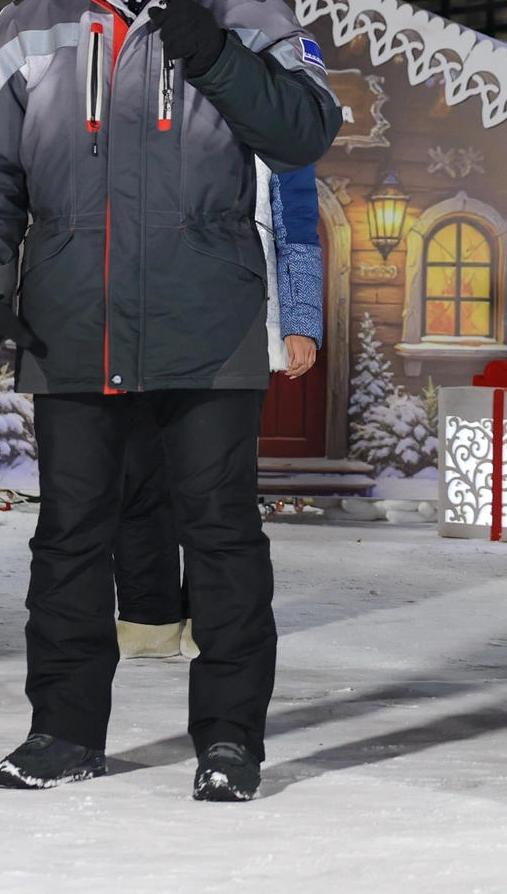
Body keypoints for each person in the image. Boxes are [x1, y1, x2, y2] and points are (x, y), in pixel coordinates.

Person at [0, 0, 341, 801]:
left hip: (207, 329)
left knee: (219, 539)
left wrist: (208, 46)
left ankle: (228, 740)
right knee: (70, 540)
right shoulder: (29, 22)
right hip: (73, 325)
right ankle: (62, 733)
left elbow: (304, 132)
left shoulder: (245, 13)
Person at [115, 152, 324, 663]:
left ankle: (212, 616)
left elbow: (295, 221)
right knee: (139, 470)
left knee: (217, 483)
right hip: (138, 310)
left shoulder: (269, 106)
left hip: (237, 313)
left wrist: (300, 319)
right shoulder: (135, 90)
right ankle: (149, 614)